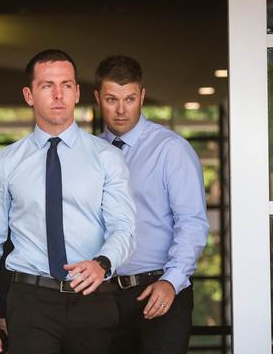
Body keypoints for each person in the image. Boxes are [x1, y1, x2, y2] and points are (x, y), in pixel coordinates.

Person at [0, 49, 136, 354]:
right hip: (31, 301)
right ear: (29, 95)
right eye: (47, 86)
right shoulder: (5, 162)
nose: (58, 95)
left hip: (93, 297)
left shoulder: (107, 157)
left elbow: (124, 229)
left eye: (66, 85)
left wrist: (103, 264)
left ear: (77, 92)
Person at [95, 55, 208, 354]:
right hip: (104, 297)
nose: (121, 110)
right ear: (97, 98)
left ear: (142, 96)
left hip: (160, 290)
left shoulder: (171, 150)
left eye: (130, 99)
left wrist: (171, 282)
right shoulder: (90, 152)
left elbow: (192, 223)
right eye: (111, 99)